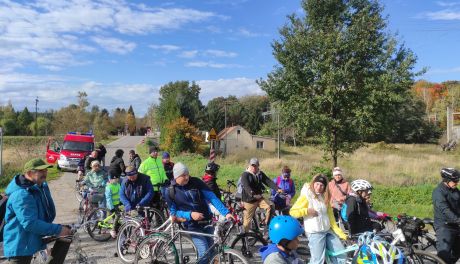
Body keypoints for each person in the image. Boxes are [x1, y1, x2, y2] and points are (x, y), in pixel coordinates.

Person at [3, 158, 72, 264]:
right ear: (29, 173)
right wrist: (58, 229)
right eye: (41, 171)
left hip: (29, 244)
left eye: (46, 170)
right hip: (19, 247)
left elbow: (41, 216)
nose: (45, 173)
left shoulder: (36, 189)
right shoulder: (22, 195)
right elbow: (30, 223)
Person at [164, 162, 233, 264]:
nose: (187, 177)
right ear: (176, 177)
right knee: (204, 252)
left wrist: (226, 213)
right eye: (183, 175)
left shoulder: (196, 182)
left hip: (207, 221)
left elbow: (212, 197)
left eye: (187, 174)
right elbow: (174, 214)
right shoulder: (170, 192)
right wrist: (190, 215)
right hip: (192, 225)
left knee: (213, 251)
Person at [290, 174, 347, 264]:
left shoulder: (324, 197)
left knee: (342, 255)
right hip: (315, 233)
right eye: (317, 184)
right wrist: (307, 211)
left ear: (325, 187)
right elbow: (293, 212)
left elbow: (331, 218)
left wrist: (340, 232)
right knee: (318, 261)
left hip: (327, 231)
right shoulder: (307, 196)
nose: (319, 187)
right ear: (313, 184)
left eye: (322, 185)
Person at [240, 158, 281, 233]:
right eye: (252, 165)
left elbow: (268, 181)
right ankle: (244, 237)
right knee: (247, 222)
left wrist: (277, 188)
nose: (254, 167)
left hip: (259, 198)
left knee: (270, 206)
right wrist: (252, 194)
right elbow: (246, 186)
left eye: (255, 166)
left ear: (258, 166)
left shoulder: (260, 174)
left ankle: (265, 223)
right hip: (249, 200)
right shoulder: (245, 174)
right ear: (249, 165)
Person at [432, 168, 460, 264]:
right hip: (444, 226)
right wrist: (458, 220)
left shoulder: (455, 190)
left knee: (457, 252)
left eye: (458, 180)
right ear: (446, 180)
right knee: (443, 255)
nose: (457, 183)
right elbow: (445, 210)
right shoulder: (438, 192)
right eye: (455, 181)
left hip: (455, 225)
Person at [105, 172, 122, 238]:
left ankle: (117, 229)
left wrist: (121, 202)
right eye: (113, 179)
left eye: (116, 179)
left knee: (116, 217)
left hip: (117, 204)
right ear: (110, 179)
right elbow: (108, 198)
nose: (115, 180)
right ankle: (113, 230)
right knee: (117, 215)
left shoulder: (118, 184)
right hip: (111, 205)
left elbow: (120, 193)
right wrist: (111, 207)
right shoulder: (109, 187)